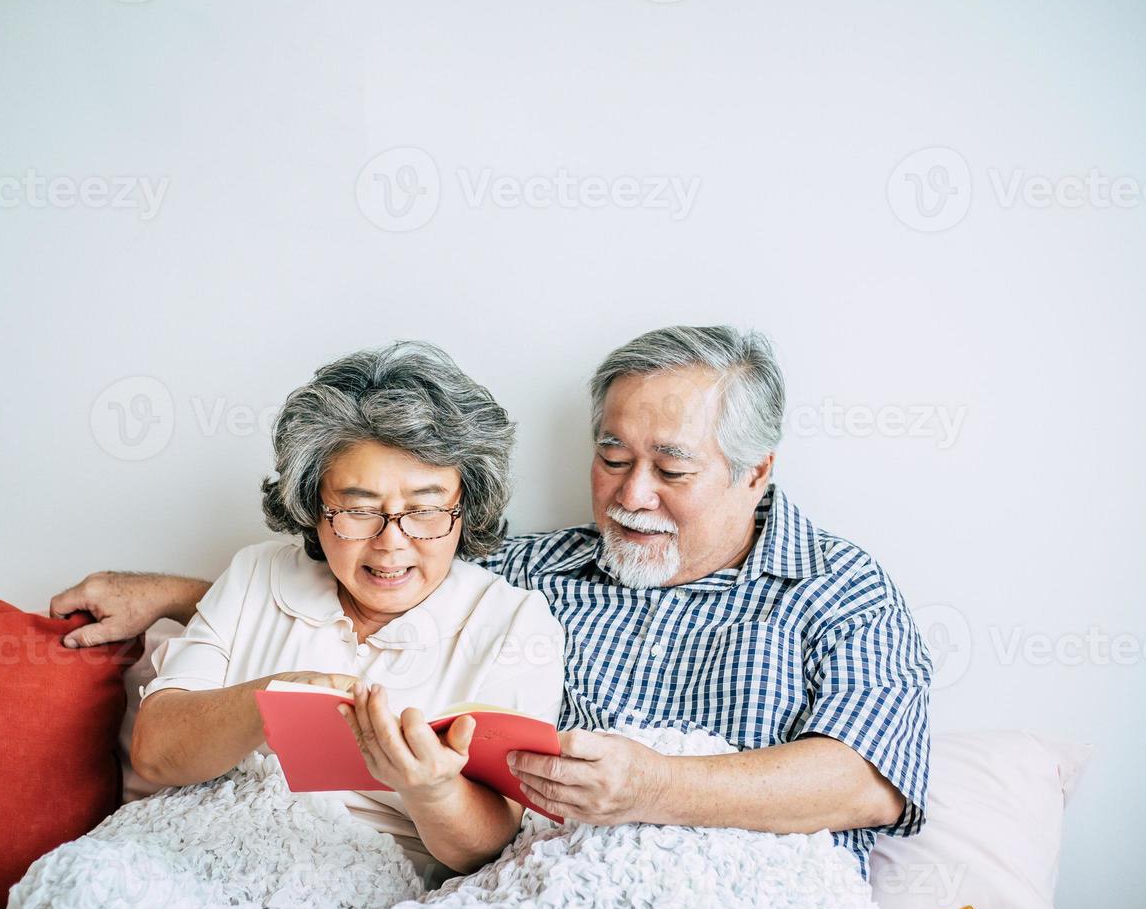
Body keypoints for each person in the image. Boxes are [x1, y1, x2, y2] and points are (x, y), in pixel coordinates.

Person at [59, 326, 931, 878]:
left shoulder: (840, 590)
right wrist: (177, 596)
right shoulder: (541, 569)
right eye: (612, 456)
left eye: (671, 467)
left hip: (739, 890)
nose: (631, 494)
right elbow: (377, 575)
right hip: (547, 889)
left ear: (757, 471)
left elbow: (867, 782)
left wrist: (652, 786)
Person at [127, 342, 564, 882]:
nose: (391, 545)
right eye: (358, 511)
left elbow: (484, 850)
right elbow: (155, 753)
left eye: (425, 511)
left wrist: (429, 787)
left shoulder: (514, 623)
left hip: (360, 881)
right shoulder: (256, 575)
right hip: (186, 851)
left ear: (466, 506)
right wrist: (275, 697)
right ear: (312, 508)